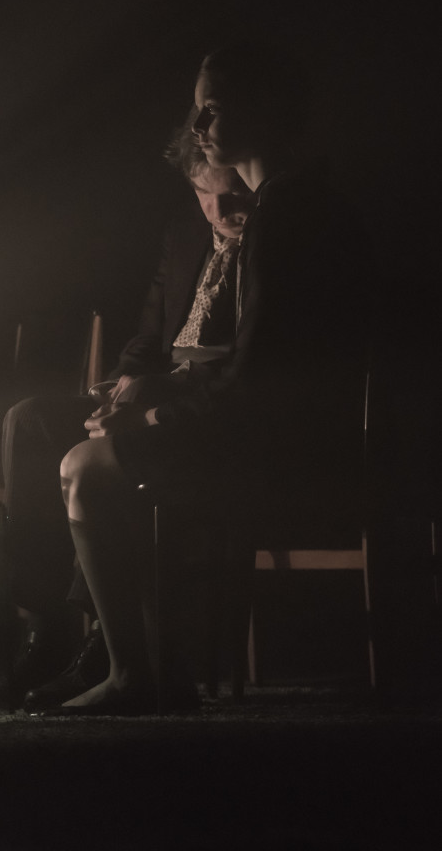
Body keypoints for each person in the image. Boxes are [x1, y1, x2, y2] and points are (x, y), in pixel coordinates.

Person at [43, 41, 371, 716]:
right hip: (276, 429)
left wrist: (155, 418)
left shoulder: (285, 215)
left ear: (266, 109)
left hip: (287, 450)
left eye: (213, 108)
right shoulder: (290, 203)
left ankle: (137, 674)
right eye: (197, 109)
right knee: (87, 447)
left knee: (85, 465)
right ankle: (142, 663)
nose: (198, 127)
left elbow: (260, 381)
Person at [2, 143, 256, 701]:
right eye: (212, 196)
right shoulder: (185, 234)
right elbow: (149, 333)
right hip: (161, 383)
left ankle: (106, 646)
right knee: (32, 421)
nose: (228, 206)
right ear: (193, 191)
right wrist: (121, 384)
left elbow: (246, 365)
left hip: (205, 400)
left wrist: (149, 403)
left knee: (102, 457)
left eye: (237, 190)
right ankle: (46, 627)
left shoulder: (268, 242)